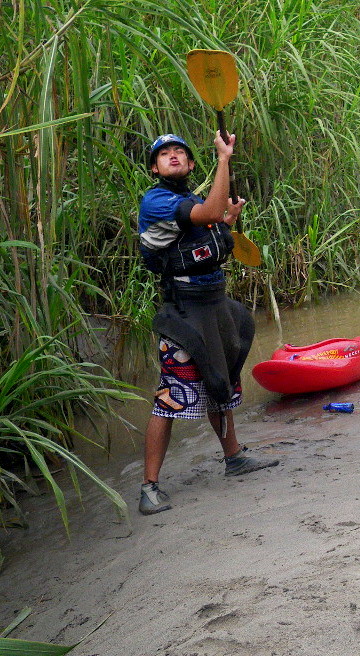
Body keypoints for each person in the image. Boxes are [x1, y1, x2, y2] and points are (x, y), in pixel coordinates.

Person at [137, 132, 277, 515]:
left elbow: (216, 228)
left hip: (214, 303)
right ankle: (149, 487)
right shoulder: (157, 201)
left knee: (221, 379)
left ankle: (234, 458)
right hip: (184, 310)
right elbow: (210, 215)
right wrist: (224, 159)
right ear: (155, 167)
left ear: (190, 163)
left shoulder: (193, 199)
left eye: (179, 151)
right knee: (170, 397)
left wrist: (229, 218)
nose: (173, 157)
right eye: (164, 154)